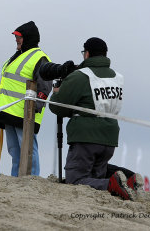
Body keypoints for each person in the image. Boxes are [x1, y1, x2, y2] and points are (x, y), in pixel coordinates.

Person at [49, 37, 142, 200]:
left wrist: (56, 92)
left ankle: (112, 184)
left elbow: (57, 107)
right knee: (95, 175)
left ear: (87, 54)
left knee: (75, 179)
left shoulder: (80, 76)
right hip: (110, 137)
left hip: (85, 137)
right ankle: (129, 179)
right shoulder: (117, 77)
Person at [0, 21, 52, 177]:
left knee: (28, 149)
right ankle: (16, 180)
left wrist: (35, 107)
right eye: (16, 37)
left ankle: (32, 179)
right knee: (14, 150)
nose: (16, 40)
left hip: (25, 114)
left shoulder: (40, 57)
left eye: (19, 37)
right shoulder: (17, 56)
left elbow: (45, 86)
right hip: (9, 111)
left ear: (28, 38)